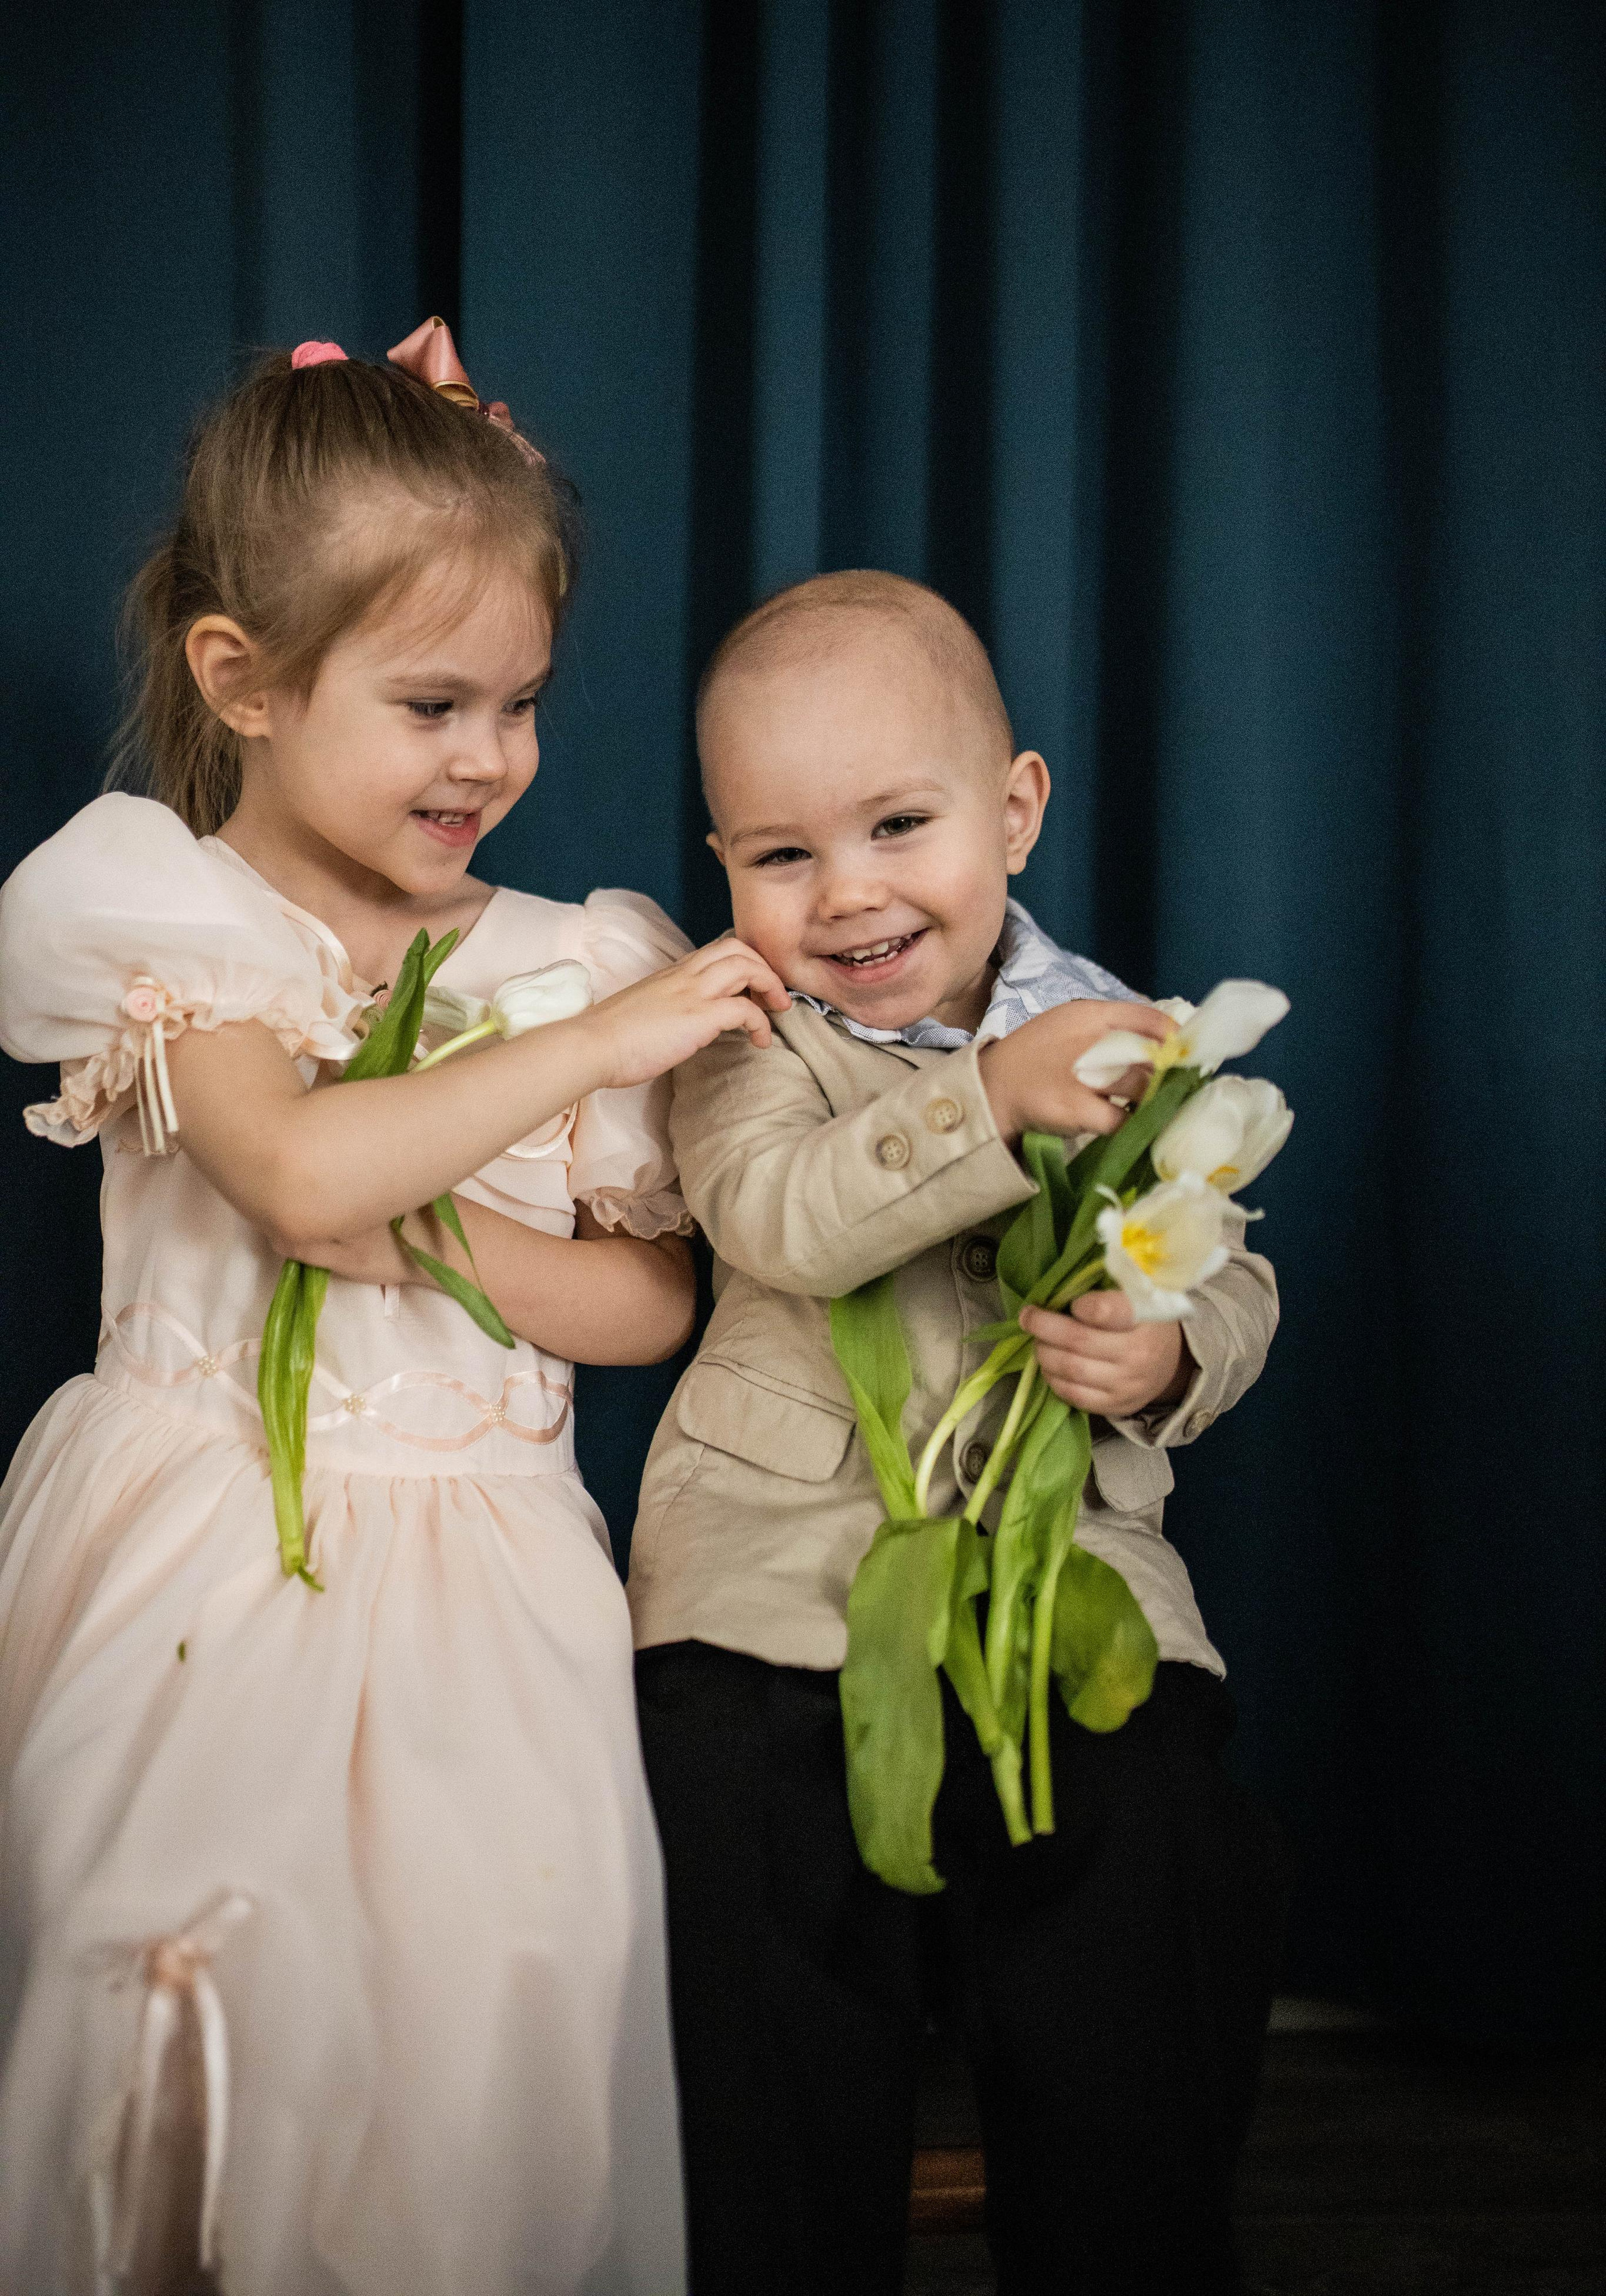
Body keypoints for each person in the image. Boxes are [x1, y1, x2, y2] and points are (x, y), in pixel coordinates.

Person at [0, 326, 787, 2296]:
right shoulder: (154, 909)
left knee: (469, 2046)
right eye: (431, 702)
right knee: (182, 2018)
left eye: (521, 704)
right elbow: (301, 1179)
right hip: (199, 1552)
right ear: (240, 682)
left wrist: (450, 1242)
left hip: (483, 1588)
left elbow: (645, 1302)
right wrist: (599, 1045)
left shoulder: (568, 949)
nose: (491, 760)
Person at [630, 570, 1289, 2295]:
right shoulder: (741, 1035)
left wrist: (1167, 1358)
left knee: (1145, 1914)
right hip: (771, 1591)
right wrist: (989, 1100)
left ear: (1013, 813)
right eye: (780, 856)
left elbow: (1230, 1268)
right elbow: (779, 1214)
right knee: (752, 1974)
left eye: (898, 826)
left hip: (1064, 1577)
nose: (845, 895)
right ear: (727, 875)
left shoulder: (1126, 1039)